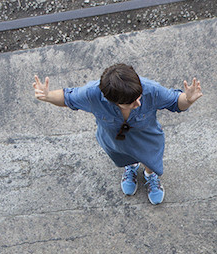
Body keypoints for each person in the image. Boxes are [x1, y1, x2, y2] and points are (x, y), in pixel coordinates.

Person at [33, 63, 202, 205]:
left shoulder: (151, 90)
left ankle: (150, 175)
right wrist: (48, 96)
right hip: (114, 140)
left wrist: (186, 100)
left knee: (150, 159)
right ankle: (131, 166)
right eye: (131, 102)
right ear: (111, 100)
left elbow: (175, 102)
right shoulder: (93, 94)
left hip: (146, 137)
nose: (139, 103)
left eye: (139, 96)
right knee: (124, 156)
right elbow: (67, 98)